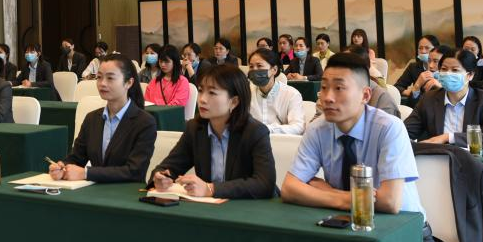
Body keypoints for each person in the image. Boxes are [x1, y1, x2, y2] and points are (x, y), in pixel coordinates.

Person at [280, 53, 435, 242]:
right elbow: (290, 188)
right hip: (349, 231)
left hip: (406, 237)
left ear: (365, 95)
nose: (327, 97)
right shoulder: (317, 129)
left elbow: (390, 202)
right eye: (324, 88)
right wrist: (349, 199)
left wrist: (321, 189)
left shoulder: (389, 128)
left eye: (339, 88)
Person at [148, 64, 275, 199]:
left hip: (250, 207)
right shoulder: (195, 128)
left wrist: (211, 189)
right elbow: (169, 167)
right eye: (200, 91)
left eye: (212, 93)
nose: (202, 99)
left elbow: (264, 184)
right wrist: (161, 177)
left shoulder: (255, 132)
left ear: (234, 101)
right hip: (210, 206)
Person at [48, 55, 156, 183]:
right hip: (94, 190)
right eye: (99, 77)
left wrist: (87, 173)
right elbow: (77, 158)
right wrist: (62, 167)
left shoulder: (144, 122)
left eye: (110, 78)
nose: (102, 83)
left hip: (126, 191)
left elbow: (134, 171)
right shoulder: (92, 118)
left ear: (129, 83)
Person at [405, 49, 483, 149]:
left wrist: (448, 137)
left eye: (455, 70)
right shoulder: (429, 99)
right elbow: (405, 132)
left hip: (471, 157)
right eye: (444, 69)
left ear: (470, 75)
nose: (448, 74)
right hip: (437, 156)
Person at [246, 48, 305, 135]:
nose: (254, 70)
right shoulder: (247, 93)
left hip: (280, 142)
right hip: (252, 142)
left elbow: (298, 127)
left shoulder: (291, 94)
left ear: (274, 70)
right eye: (251, 66)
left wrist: (266, 129)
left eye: (259, 66)